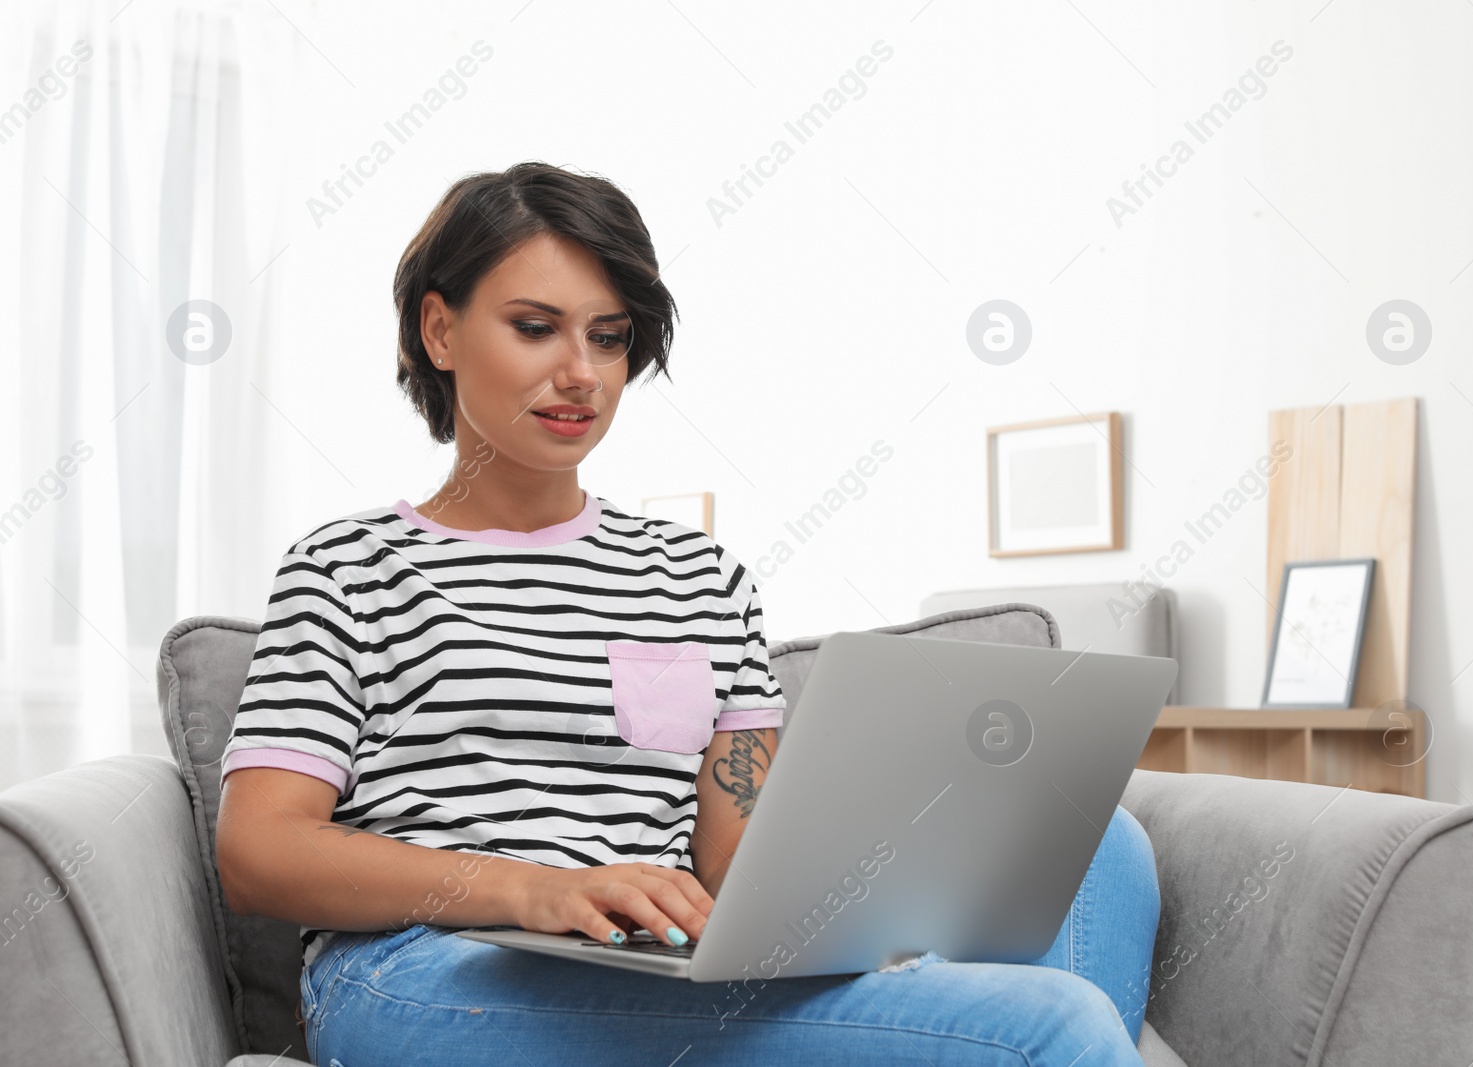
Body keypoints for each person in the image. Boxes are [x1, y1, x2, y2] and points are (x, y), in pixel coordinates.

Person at [214, 161, 1160, 1066]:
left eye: (609, 335)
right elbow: (258, 851)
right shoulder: (348, 567)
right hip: (423, 973)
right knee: (1050, 1025)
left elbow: (739, 849)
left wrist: (873, 907)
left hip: (654, 961)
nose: (581, 372)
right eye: (536, 326)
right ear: (441, 330)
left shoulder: (699, 576)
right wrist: (532, 890)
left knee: (1104, 841)